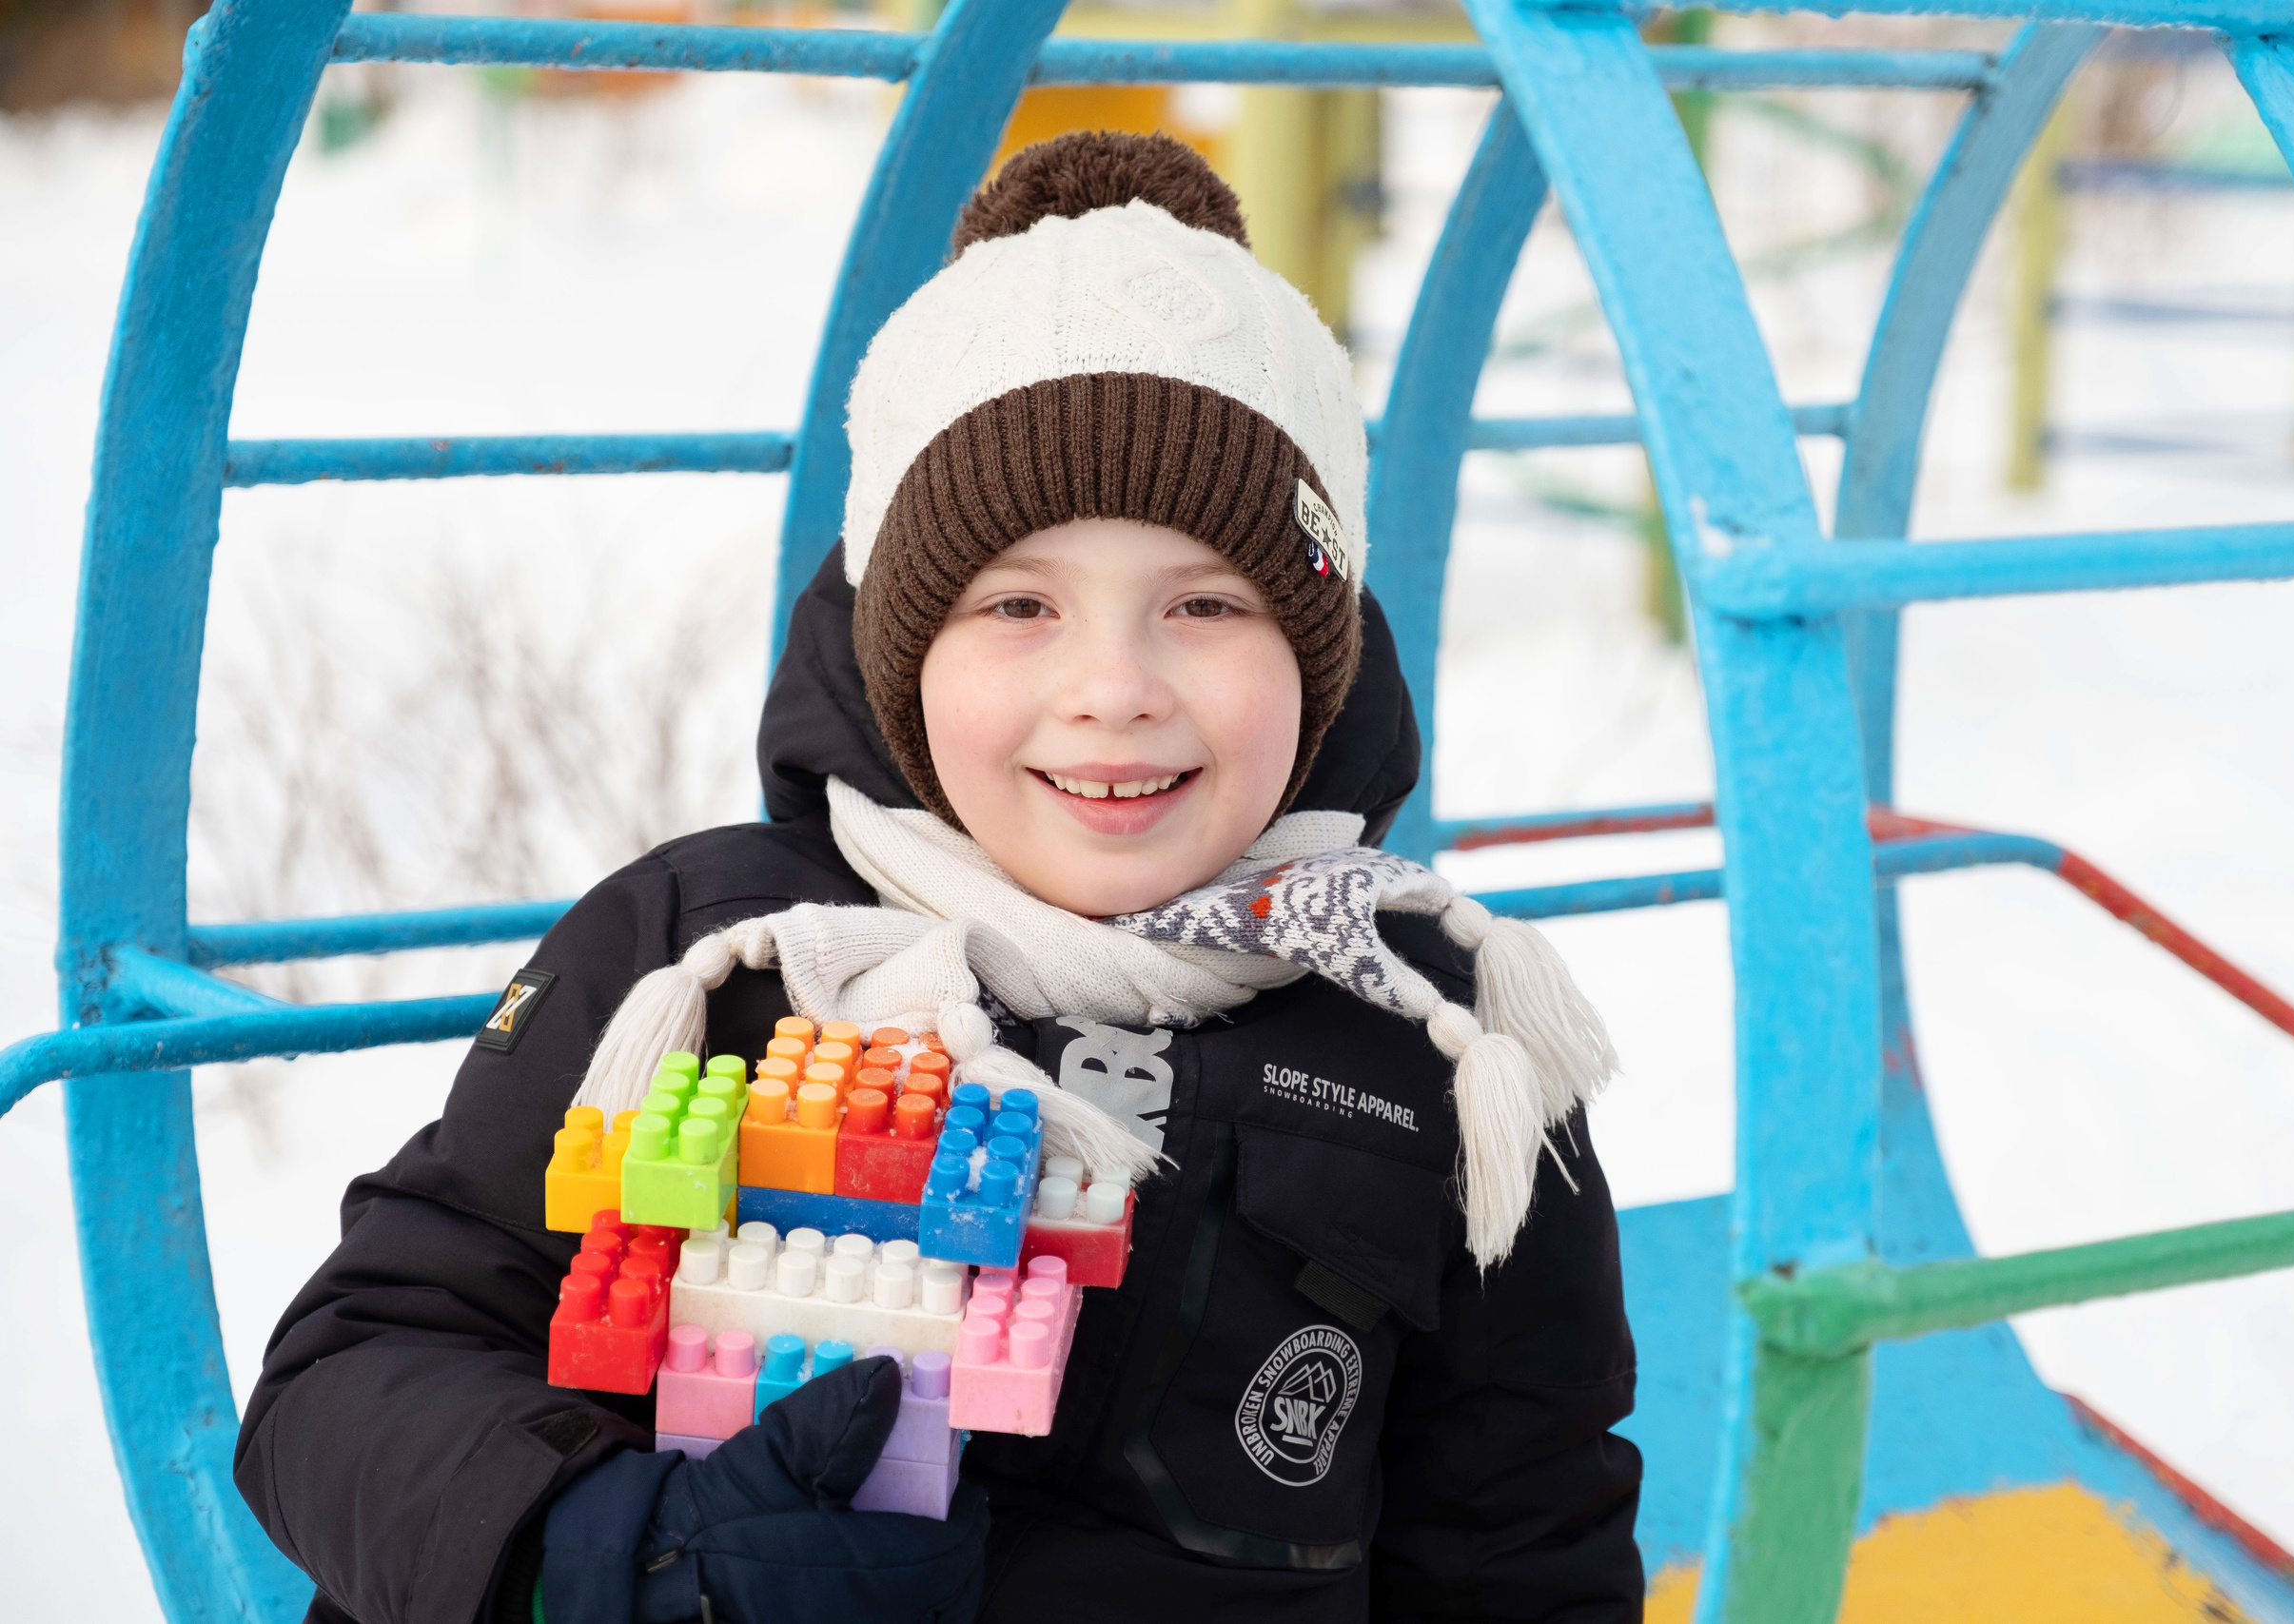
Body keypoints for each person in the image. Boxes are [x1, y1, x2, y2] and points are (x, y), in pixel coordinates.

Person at [235, 130, 1644, 1624]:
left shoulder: (1439, 1044)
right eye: (1020, 604)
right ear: (905, 662)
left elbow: (1521, 1532)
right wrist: (615, 1552)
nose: (1115, 689)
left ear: (1320, 655)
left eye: (1207, 604)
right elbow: (359, 1372)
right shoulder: (714, 959)